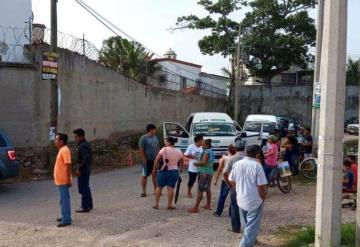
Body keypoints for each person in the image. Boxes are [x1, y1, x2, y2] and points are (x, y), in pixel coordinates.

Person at [229, 145, 268, 247]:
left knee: (246, 223)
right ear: (257, 154)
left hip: (241, 198)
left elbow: (231, 180)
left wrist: (238, 189)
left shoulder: (237, 164)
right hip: (254, 199)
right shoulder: (257, 165)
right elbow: (262, 185)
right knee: (252, 225)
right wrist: (263, 197)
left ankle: (252, 240)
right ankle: (245, 244)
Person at [152, 137, 184, 210]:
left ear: (169, 142)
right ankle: (169, 205)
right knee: (171, 188)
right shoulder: (178, 150)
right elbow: (182, 160)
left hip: (163, 170)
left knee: (159, 187)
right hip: (174, 171)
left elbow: (156, 160)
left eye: (166, 142)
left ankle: (156, 204)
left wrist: (154, 169)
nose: (165, 143)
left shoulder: (164, 149)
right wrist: (181, 168)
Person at [223, 140, 246, 233]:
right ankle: (247, 227)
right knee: (246, 206)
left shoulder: (231, 159)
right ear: (244, 148)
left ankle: (236, 228)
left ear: (235, 148)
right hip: (246, 186)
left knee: (234, 206)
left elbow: (225, 173)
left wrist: (228, 183)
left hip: (234, 185)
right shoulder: (248, 158)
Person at [188, 139, 214, 213]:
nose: (202, 145)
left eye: (203, 144)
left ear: (207, 145)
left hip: (203, 172)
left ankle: (195, 207)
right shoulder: (211, 151)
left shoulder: (206, 152)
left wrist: (196, 163)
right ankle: (208, 205)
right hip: (210, 172)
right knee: (207, 188)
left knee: (200, 190)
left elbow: (204, 162)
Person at [54, 133, 72, 227]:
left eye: (57, 139)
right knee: (63, 200)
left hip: (64, 180)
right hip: (61, 180)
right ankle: (64, 215)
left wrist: (68, 179)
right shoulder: (61, 150)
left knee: (65, 200)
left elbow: (68, 164)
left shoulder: (65, 150)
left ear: (62, 141)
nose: (55, 141)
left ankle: (66, 219)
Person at [73, 128, 93, 213]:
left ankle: (85, 206)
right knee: (86, 186)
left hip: (83, 170)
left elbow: (85, 158)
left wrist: (78, 168)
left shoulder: (82, 146)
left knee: (83, 188)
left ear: (81, 136)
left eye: (76, 137)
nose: (75, 139)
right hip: (86, 169)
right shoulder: (86, 144)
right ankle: (89, 204)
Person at [213, 145, 236, 217]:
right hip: (234, 180)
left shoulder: (224, 158)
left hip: (225, 179)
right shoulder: (237, 158)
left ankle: (218, 212)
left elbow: (219, 170)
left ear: (228, 150)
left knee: (222, 196)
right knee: (233, 197)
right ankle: (231, 213)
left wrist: (216, 179)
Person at [139, 124, 160, 197]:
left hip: (155, 160)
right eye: (154, 129)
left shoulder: (155, 137)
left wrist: (158, 157)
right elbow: (141, 149)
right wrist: (144, 159)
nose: (155, 131)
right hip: (147, 160)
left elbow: (157, 147)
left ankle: (156, 191)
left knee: (154, 175)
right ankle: (143, 191)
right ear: (150, 130)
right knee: (144, 175)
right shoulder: (144, 138)